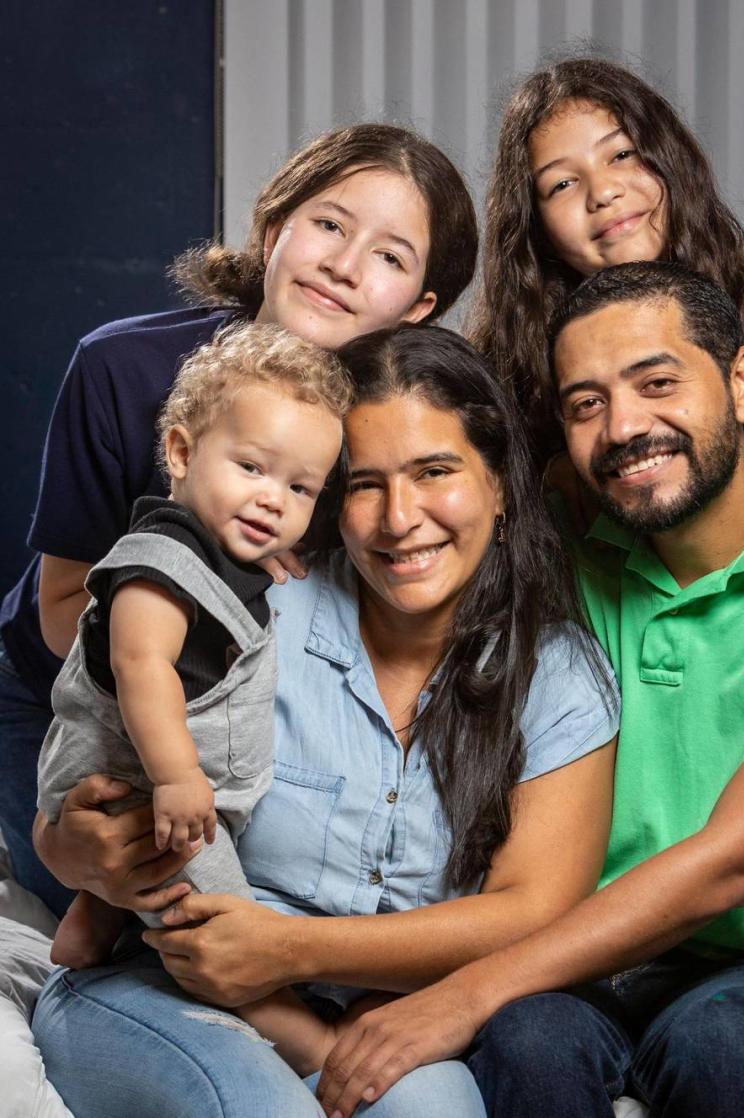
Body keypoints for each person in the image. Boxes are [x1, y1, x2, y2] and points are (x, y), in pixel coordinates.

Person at [313, 263, 744, 1118]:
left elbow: (737, 862)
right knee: (528, 1043)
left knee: (718, 1042)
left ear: (743, 380)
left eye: (657, 383)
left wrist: (463, 992)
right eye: (585, 404)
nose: (625, 427)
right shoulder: (554, 566)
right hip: (575, 957)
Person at [30, 324, 619, 1118]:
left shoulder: (558, 673)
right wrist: (80, 852)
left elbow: (534, 911)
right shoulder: (248, 611)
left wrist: (287, 951)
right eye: (366, 483)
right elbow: (83, 780)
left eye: (435, 471)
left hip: (365, 1014)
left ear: (501, 488)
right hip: (157, 982)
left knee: (439, 1111)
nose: (399, 517)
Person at [0, 122, 478, 918]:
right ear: (273, 227)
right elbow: (59, 616)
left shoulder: (393, 429)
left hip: (229, 707)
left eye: (390, 256)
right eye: (328, 224)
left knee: (252, 902)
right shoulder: (124, 369)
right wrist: (203, 585)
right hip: (69, 696)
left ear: (420, 307)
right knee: (131, 894)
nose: (343, 266)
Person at [37, 322, 355, 1078]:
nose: (272, 500)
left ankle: (89, 926)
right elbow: (142, 665)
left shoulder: (225, 557)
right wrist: (180, 778)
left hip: (155, 784)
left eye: (300, 488)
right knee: (208, 908)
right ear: (181, 454)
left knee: (139, 884)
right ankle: (294, 1029)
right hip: (140, 785)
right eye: (251, 467)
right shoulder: (160, 565)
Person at [470, 56, 744, 498]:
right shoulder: (507, 365)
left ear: (670, 160)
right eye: (562, 184)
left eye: (622, 154)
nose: (604, 192)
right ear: (537, 226)